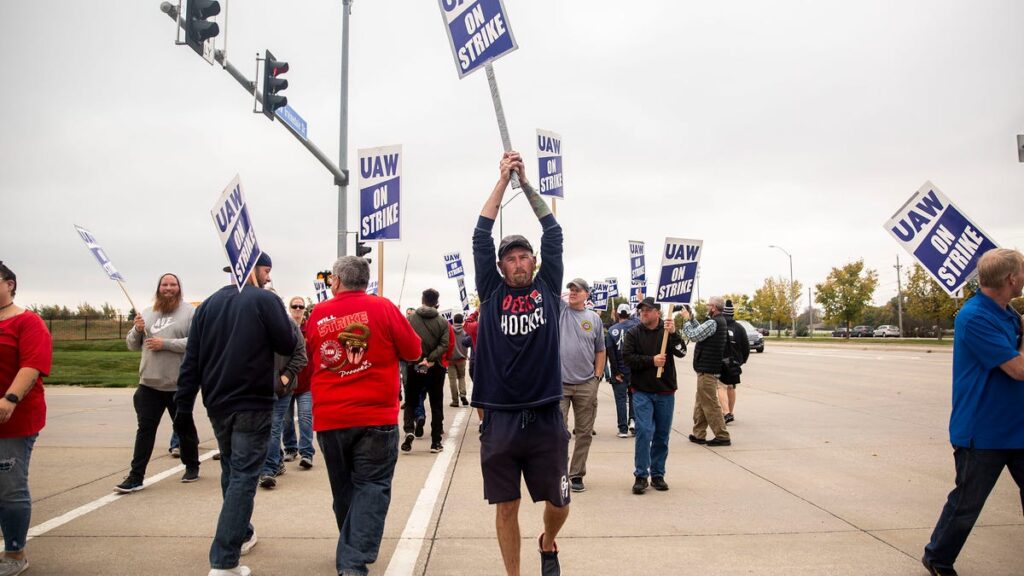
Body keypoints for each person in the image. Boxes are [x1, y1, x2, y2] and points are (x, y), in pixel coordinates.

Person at [473, 151, 569, 576]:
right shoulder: (491, 293)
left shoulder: (548, 288)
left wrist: (525, 182)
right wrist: (501, 180)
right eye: (510, 258)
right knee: (506, 505)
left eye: (523, 256)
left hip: (547, 413)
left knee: (560, 501)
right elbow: (480, 233)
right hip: (501, 419)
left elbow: (553, 229)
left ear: (534, 261)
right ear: (500, 266)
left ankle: (548, 542)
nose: (518, 263)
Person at [175, 252, 297, 576]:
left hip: (217, 403)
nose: (269, 277)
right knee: (244, 476)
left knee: (232, 469)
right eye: (267, 270)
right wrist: (275, 307)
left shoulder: (209, 305)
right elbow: (287, 342)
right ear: (252, 269)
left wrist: (183, 406)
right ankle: (224, 560)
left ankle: (241, 533)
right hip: (252, 402)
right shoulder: (264, 300)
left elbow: (192, 361)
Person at [306, 256, 421, 576]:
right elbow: (413, 351)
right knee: (371, 487)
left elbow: (311, 354)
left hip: (331, 417)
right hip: (375, 418)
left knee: (344, 489)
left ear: (338, 281)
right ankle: (353, 559)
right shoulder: (383, 308)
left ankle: (352, 547)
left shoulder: (318, 313)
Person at [922, 248, 1024, 576]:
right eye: (1022, 271)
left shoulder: (1006, 312)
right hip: (982, 432)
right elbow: (1017, 368)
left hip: (1017, 426)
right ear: (1011, 278)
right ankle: (937, 557)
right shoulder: (975, 316)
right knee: (966, 505)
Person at [115, 273, 199, 493]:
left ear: (179, 288)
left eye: (173, 284)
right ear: (158, 288)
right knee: (145, 429)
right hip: (149, 384)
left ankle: (191, 465)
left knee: (183, 427)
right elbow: (133, 345)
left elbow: (196, 343)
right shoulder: (147, 312)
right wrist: (137, 330)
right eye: (164, 284)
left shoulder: (190, 312)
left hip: (178, 384)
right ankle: (136, 476)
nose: (168, 288)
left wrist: (166, 344)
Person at [0, 262, 51, 576]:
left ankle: (15, 553)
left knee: (9, 487)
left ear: (10, 284)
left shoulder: (28, 322)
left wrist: (10, 399)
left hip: (12, 420)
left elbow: (32, 365)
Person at [622, 297, 686, 494]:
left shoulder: (667, 332)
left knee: (661, 435)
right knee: (643, 431)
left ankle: (658, 474)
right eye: (641, 310)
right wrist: (652, 361)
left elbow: (681, 352)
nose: (643, 313)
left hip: (665, 391)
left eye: (648, 310)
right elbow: (627, 357)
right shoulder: (633, 333)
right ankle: (641, 475)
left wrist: (674, 334)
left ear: (658, 312)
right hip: (642, 391)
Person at [559, 278, 606, 493]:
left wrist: (597, 377)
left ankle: (576, 474)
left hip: (586, 384)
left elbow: (600, 350)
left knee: (584, 432)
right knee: (558, 432)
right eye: (571, 289)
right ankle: (558, 471)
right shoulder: (561, 311)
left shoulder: (594, 319)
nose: (573, 293)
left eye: (577, 290)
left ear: (587, 294)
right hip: (559, 385)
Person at [258, 295, 307, 489]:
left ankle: (267, 470)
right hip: (257, 388)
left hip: (281, 389)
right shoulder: (253, 323)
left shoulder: (288, 325)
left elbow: (301, 356)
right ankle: (276, 460)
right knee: (265, 428)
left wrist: (283, 379)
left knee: (273, 426)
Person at [401, 289, 450, 454]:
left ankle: (409, 429)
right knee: (436, 404)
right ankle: (436, 441)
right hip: (435, 368)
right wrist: (429, 360)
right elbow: (444, 345)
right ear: (437, 302)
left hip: (414, 366)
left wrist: (418, 358)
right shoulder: (443, 322)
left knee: (411, 400)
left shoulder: (410, 319)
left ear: (422, 300)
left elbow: (406, 341)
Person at [681, 296, 731, 447]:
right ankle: (699, 434)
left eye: (709, 305)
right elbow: (700, 330)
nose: (707, 307)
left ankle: (722, 436)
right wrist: (691, 318)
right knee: (701, 403)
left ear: (714, 307)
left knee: (710, 404)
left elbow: (694, 335)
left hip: (707, 370)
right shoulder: (718, 321)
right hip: (708, 369)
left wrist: (685, 320)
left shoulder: (713, 322)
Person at [282, 297, 315, 470]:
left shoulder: (309, 328)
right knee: (286, 420)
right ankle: (290, 448)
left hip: (306, 383)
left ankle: (307, 453)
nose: (297, 309)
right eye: (294, 306)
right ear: (289, 308)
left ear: (304, 309)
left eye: (300, 306)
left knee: (305, 418)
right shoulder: (284, 327)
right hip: (287, 383)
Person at [607, 303, 640, 438]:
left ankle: (622, 429)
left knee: (620, 400)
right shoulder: (637, 328)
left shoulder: (612, 330)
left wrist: (615, 372)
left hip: (619, 370)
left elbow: (611, 353)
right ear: (629, 314)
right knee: (634, 398)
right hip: (635, 370)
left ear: (618, 314)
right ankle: (633, 421)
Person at [718, 299, 749, 424]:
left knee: (721, 386)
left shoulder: (718, 325)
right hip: (734, 363)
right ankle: (730, 411)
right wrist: (741, 361)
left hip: (720, 361)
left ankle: (726, 412)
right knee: (731, 387)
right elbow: (746, 347)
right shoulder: (739, 328)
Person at [448, 313, 470, 407]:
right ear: (462, 321)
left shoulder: (449, 330)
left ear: (454, 320)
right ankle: (463, 394)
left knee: (452, 380)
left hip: (451, 359)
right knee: (461, 377)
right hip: (461, 359)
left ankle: (455, 401)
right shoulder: (465, 330)